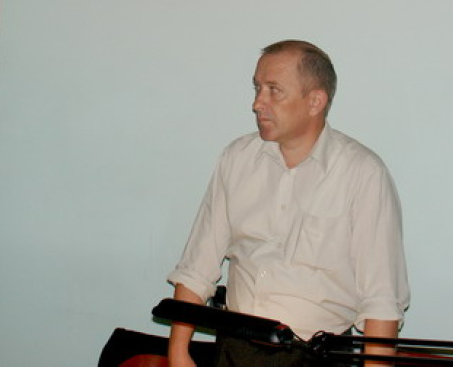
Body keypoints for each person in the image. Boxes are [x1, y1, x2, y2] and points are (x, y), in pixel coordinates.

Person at [167, 40, 410, 367]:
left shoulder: (362, 174)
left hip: (315, 356)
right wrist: (178, 352)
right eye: (257, 88)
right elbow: (197, 266)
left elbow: (381, 301)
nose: (257, 103)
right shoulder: (237, 159)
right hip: (233, 349)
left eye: (274, 91)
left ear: (315, 101)